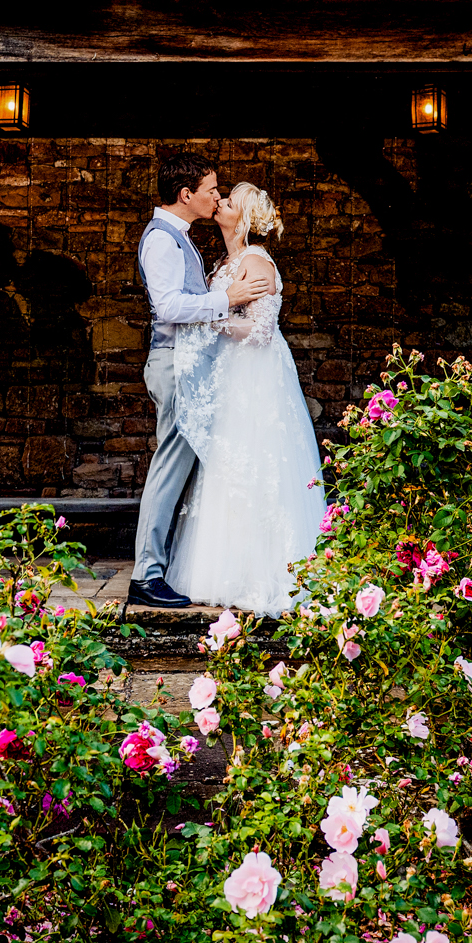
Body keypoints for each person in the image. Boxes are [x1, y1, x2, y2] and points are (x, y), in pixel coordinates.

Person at [165, 182, 326, 615]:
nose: (219, 202)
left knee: (256, 465)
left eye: (229, 201)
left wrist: (209, 320)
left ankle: (265, 574)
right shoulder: (228, 259)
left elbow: (258, 332)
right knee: (228, 468)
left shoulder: (255, 261)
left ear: (245, 218)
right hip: (232, 376)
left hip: (256, 380)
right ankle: (222, 570)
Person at [129, 152, 272, 608]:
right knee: (170, 465)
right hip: (172, 362)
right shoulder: (161, 241)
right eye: (211, 189)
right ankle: (147, 574)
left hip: (189, 363)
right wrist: (225, 298)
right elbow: (168, 306)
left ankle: (163, 566)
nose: (216, 196)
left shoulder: (181, 238)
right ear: (186, 194)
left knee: (183, 467)